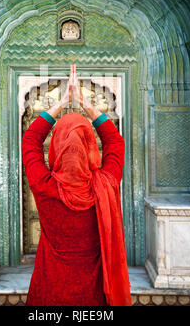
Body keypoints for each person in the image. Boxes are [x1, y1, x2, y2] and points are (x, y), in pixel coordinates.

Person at [21, 65, 131, 306]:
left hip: (51, 291)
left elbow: (30, 140)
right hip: (95, 295)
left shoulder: (44, 186)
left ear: (56, 148)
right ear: (90, 145)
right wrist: (86, 105)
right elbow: (115, 143)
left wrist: (61, 104)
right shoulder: (105, 184)